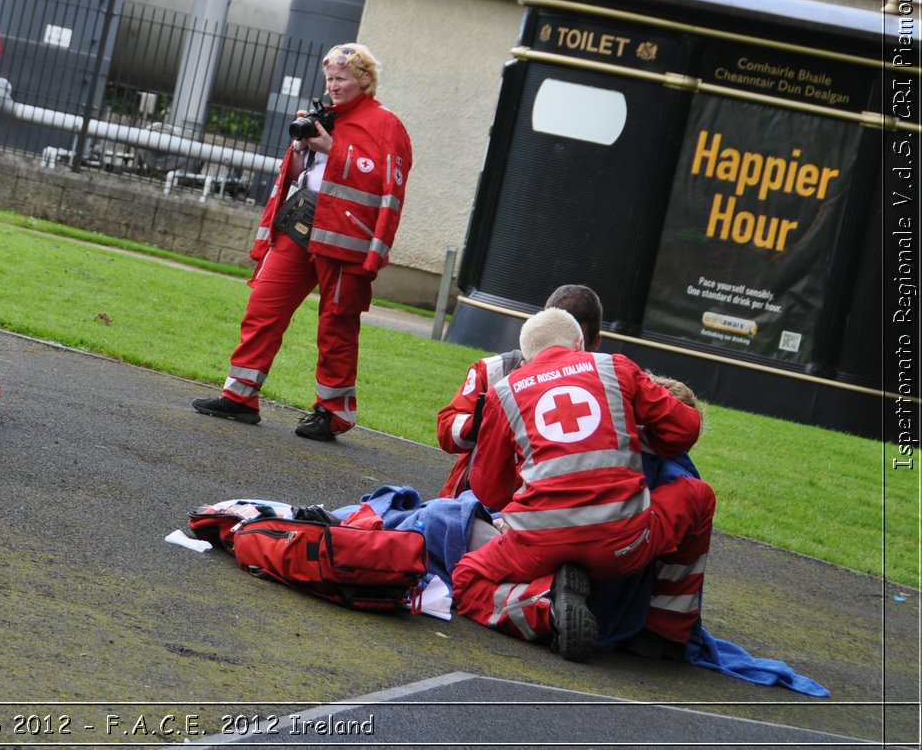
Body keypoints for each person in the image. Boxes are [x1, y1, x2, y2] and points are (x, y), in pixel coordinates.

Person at [450, 307, 714, 662]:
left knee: (466, 580)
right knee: (699, 495)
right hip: (623, 542)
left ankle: (546, 607)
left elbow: (488, 489)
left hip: (537, 543)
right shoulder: (615, 366)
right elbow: (685, 428)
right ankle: (665, 631)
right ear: (581, 344)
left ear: (526, 357)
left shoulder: (504, 390)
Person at [191, 43, 412, 442]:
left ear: (364, 80)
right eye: (329, 78)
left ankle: (333, 413)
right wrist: (300, 148)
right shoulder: (322, 116)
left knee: (336, 325)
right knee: (263, 306)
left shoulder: (386, 124)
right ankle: (240, 396)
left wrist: (333, 149)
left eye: (341, 78)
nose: (333, 84)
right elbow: (294, 174)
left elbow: (387, 187)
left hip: (346, 242)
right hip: (301, 226)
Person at [435, 283, 603, 497]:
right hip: (479, 499)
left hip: (557, 501)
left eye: (567, 342)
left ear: (594, 342)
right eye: (552, 338)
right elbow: (447, 430)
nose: (557, 354)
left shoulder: (607, 383)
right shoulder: (494, 370)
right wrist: (487, 419)